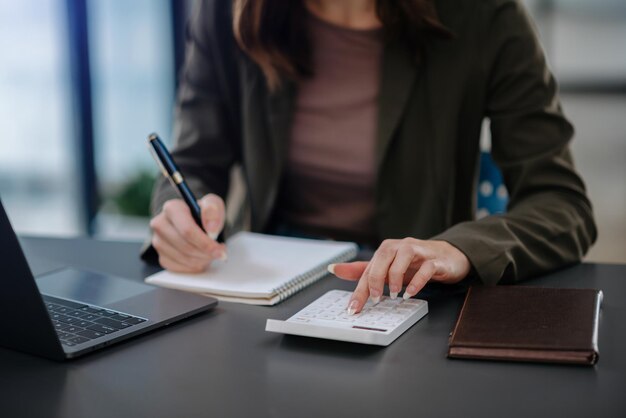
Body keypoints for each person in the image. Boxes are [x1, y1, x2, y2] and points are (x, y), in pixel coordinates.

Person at [143, 0, 597, 315]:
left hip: (412, 297)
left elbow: (561, 204)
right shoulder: (231, 13)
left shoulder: (487, 18)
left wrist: (458, 249)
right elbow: (191, 166)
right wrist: (180, 214)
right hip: (268, 288)